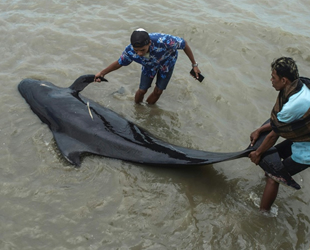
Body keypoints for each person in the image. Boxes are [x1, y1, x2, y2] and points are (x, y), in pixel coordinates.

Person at [249, 57, 310, 212]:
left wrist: (257, 153)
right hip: (302, 135)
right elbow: (279, 123)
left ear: (284, 80)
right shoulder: (298, 86)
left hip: (306, 149)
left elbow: (273, 135)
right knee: (272, 156)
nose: (271, 80)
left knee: (273, 177)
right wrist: (260, 130)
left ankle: (263, 214)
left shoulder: (295, 103)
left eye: (273, 77)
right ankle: (268, 183)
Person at [94, 28, 202, 104]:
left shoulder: (164, 41)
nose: (139, 53)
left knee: (158, 91)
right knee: (142, 90)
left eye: (142, 50)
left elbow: (184, 44)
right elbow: (118, 63)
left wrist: (194, 65)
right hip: (149, 66)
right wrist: (102, 73)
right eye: (137, 51)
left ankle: (150, 109)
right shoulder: (130, 51)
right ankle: (138, 108)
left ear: (149, 43)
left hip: (167, 63)